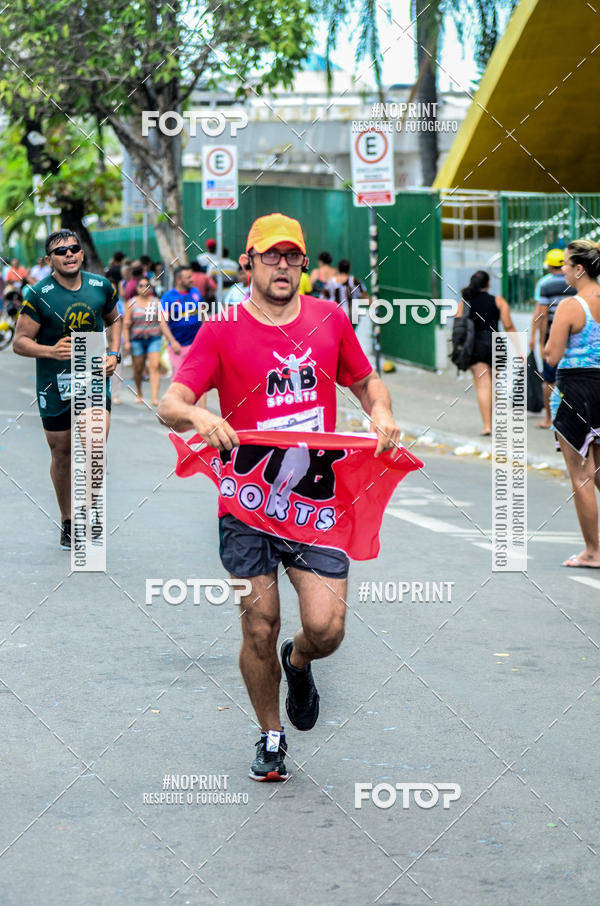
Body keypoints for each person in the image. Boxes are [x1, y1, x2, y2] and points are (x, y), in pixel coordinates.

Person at [158, 213, 400, 782]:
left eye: (292, 256)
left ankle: (299, 661)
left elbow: (366, 380)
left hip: (316, 503)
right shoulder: (221, 329)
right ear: (249, 263)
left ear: (303, 262)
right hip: (246, 504)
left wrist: (381, 411)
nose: (283, 265)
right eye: (271, 256)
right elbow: (171, 401)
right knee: (258, 623)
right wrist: (198, 414)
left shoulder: (329, 319)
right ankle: (270, 735)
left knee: (326, 629)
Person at [12, 230, 120, 548]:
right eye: (61, 252)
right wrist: (51, 351)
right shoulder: (38, 293)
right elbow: (19, 342)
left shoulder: (101, 287)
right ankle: (69, 520)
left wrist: (114, 354)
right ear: (49, 261)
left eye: (74, 248)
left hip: (93, 376)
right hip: (54, 382)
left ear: (82, 254)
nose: (69, 254)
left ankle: (87, 512)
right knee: (62, 453)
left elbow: (115, 320)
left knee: (94, 444)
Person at [545, 239, 600, 568]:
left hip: (576, 390)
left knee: (581, 474)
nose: (563, 269)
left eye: (566, 264)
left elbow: (552, 355)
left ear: (579, 269)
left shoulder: (570, 306)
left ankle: (593, 551)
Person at [455, 270, 517, 436]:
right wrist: (519, 348)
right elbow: (508, 325)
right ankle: (498, 422)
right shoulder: (498, 301)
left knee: (483, 385)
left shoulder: (465, 302)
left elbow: (458, 325)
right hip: (495, 343)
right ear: (488, 284)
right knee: (495, 384)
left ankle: (487, 426)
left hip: (475, 346)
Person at [530, 249, 576, 428]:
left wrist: (540, 341)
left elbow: (541, 315)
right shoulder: (575, 283)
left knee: (549, 379)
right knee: (571, 377)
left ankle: (549, 419)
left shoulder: (545, 284)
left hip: (552, 335)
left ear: (549, 265)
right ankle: (571, 417)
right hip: (573, 335)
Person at [122, 277, 162, 406]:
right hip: (137, 340)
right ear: (137, 288)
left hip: (154, 339)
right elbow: (126, 324)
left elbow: (162, 322)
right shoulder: (131, 303)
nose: (144, 288)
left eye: (146, 285)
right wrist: (127, 341)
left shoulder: (156, 302)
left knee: (154, 367)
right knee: (138, 368)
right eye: (141, 285)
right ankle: (139, 392)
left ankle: (155, 397)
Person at [159, 265, 204, 379]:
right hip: (178, 346)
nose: (192, 280)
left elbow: (203, 314)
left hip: (196, 344)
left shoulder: (196, 292)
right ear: (179, 279)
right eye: (188, 277)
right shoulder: (168, 297)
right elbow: (163, 322)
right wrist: (173, 342)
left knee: (200, 379)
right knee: (180, 380)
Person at [322, 258, 368, 327]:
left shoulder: (330, 282)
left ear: (338, 268)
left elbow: (323, 298)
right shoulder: (354, 280)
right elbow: (365, 296)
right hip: (352, 317)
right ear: (349, 269)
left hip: (335, 317)